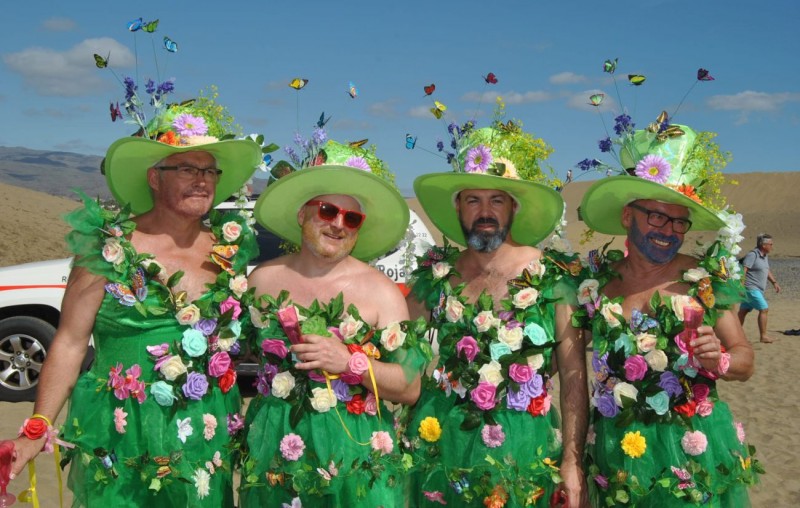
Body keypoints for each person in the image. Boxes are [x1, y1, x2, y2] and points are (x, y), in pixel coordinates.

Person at [7, 98, 263, 506]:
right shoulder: (108, 248)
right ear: (154, 178)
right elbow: (71, 342)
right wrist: (36, 427)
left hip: (204, 434)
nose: (202, 180)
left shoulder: (229, 250)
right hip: (120, 435)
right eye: (186, 168)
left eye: (209, 170)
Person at [576, 119, 762, 506]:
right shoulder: (597, 286)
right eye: (656, 216)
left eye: (679, 221)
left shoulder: (703, 279)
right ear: (628, 216)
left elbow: (745, 359)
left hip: (692, 447)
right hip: (618, 449)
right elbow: (571, 359)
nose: (669, 230)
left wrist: (721, 360)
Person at [404, 122, 589, 507]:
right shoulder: (437, 276)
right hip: (445, 446)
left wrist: (572, 463)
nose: (485, 212)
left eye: (497, 201)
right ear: (457, 206)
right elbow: (400, 349)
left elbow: (573, 374)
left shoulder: (553, 277)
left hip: (526, 447)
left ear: (513, 207)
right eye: (473, 200)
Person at [238, 138, 430, 507]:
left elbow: (409, 387)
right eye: (328, 210)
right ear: (301, 215)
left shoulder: (382, 293)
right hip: (274, 450)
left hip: (354, 460)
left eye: (352, 217)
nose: (339, 224)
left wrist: (350, 364)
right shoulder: (261, 281)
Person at [738, 233, 780, 343]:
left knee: (743, 311)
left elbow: (766, 270)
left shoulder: (764, 256)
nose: (772, 246)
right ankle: (763, 336)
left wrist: (774, 282)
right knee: (764, 309)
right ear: (764, 245)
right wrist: (741, 288)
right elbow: (744, 270)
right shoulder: (753, 255)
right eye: (770, 244)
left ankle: (736, 334)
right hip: (751, 288)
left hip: (756, 289)